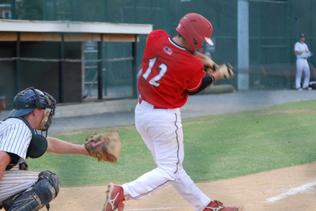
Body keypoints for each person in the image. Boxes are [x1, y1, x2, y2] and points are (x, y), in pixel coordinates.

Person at [103, 13, 239, 211]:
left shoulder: (155, 38)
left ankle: (206, 207)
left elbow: (175, 51)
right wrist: (217, 74)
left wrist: (204, 60)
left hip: (142, 114)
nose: (201, 46)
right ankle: (122, 192)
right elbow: (195, 86)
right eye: (200, 42)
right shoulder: (190, 66)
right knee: (169, 169)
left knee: (172, 167)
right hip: (164, 119)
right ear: (194, 38)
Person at [0, 87, 92, 210]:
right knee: (48, 182)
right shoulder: (19, 128)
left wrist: (85, 149)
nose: (46, 113)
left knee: (20, 167)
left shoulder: (14, 125)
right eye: (44, 109)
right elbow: (1, 159)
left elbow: (51, 144)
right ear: (34, 111)